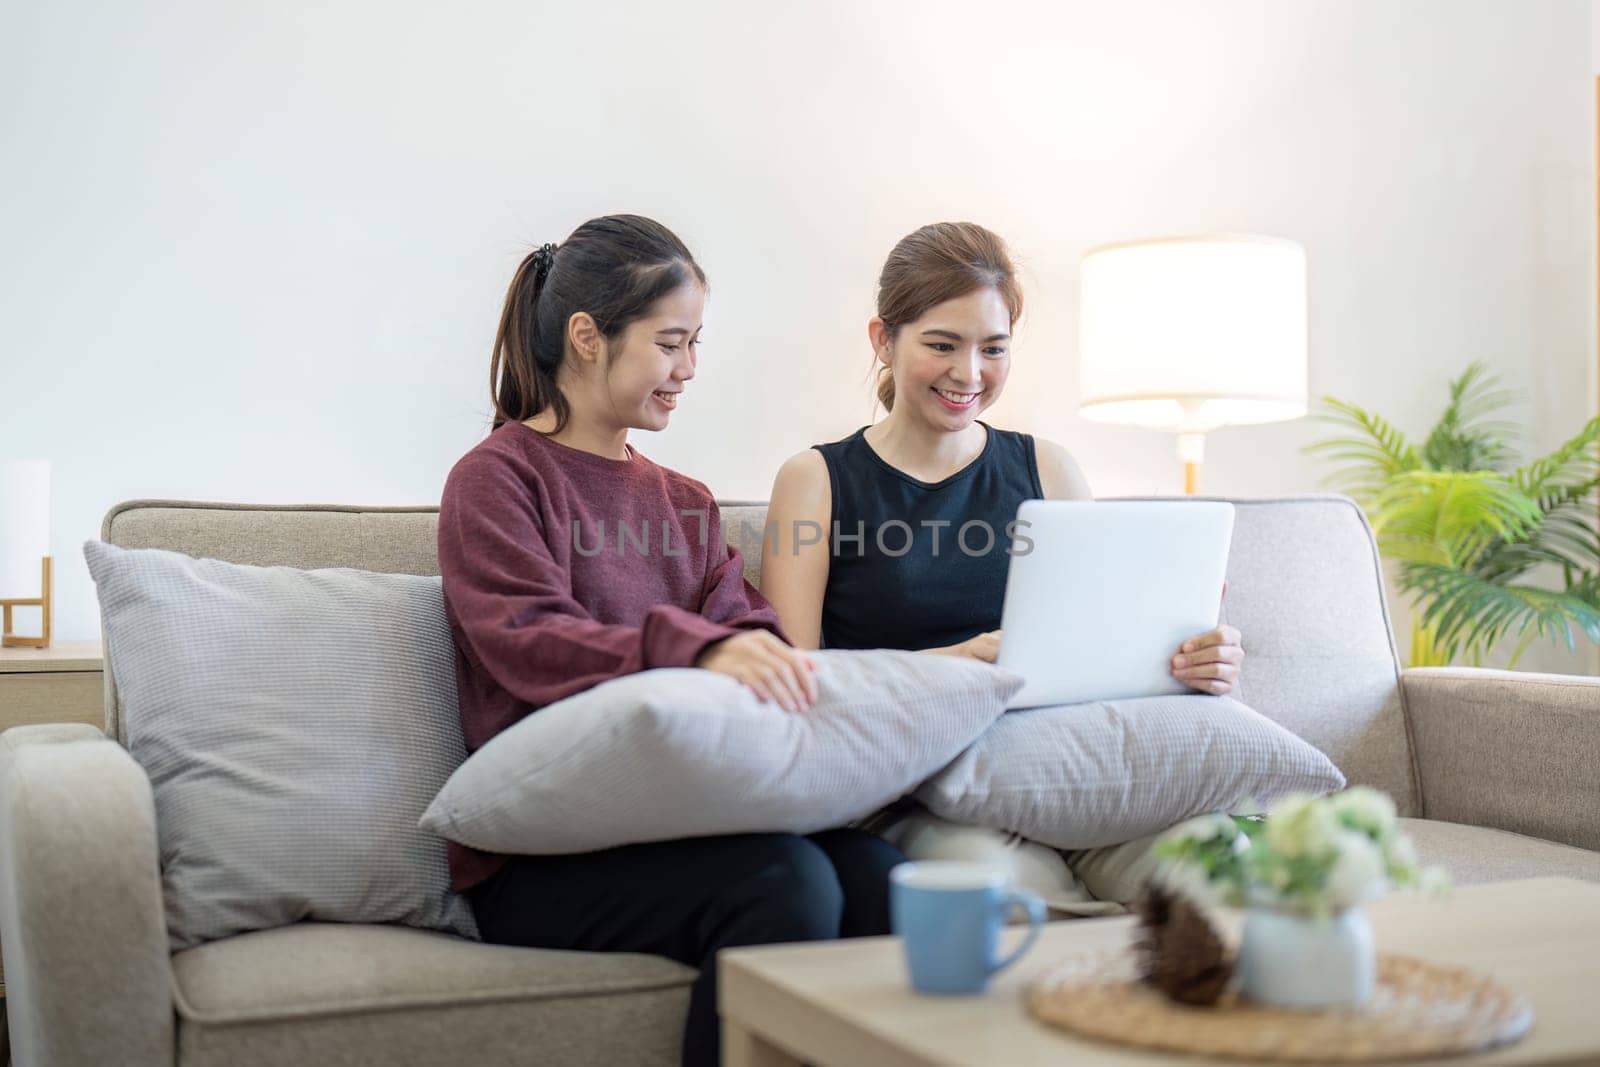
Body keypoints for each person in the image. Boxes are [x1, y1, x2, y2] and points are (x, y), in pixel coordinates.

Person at [436, 214, 906, 1067]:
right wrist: (689, 649)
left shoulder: (684, 501)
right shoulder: (497, 478)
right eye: (670, 342)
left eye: (696, 343)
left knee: (881, 875)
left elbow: (750, 627)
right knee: (785, 885)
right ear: (587, 338)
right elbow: (529, 642)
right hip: (545, 855)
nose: (688, 368)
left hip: (685, 819)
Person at [759, 221, 1244, 906]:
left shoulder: (1049, 468)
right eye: (941, 344)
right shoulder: (815, 480)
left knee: (1220, 872)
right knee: (1010, 895)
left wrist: (1195, 658)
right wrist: (953, 665)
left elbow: (1105, 653)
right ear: (882, 340)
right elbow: (791, 692)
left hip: (1070, 770)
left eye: (994, 348)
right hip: (923, 786)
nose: (970, 373)